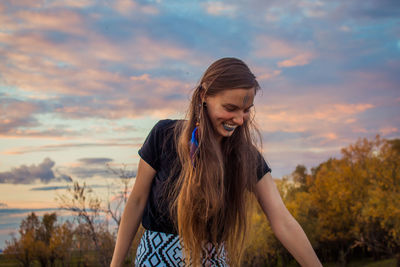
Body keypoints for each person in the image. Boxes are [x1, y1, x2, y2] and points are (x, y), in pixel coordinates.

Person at [111, 58, 322, 267]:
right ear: (204, 95)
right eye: (231, 108)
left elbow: (283, 221)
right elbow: (137, 201)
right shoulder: (163, 136)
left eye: (246, 110)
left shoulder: (247, 157)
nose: (239, 120)